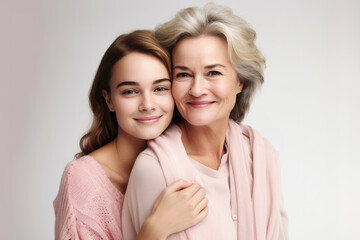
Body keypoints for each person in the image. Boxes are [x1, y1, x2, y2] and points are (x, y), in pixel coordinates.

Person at [122, 3, 288, 240]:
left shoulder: (261, 157)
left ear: (240, 81)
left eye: (213, 73)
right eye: (183, 75)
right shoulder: (153, 168)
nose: (197, 89)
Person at [53, 30, 208, 240]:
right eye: (130, 91)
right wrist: (154, 230)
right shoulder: (81, 179)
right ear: (109, 100)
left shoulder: (186, 163)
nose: (148, 105)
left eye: (160, 88)